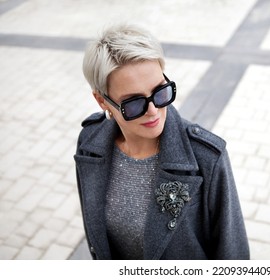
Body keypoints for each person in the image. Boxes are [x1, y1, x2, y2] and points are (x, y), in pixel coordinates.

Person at [74, 23, 249, 260]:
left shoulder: (206, 157)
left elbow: (233, 254)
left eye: (160, 91)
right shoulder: (89, 145)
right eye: (134, 103)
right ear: (102, 101)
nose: (154, 111)